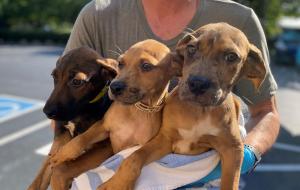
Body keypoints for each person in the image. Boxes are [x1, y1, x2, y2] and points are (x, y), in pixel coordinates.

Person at [63, 0, 280, 188]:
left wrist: (247, 155)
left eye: (230, 57)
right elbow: (62, 105)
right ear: (181, 54)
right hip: (106, 157)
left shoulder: (240, 19)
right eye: (193, 51)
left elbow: (266, 111)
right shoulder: (96, 16)